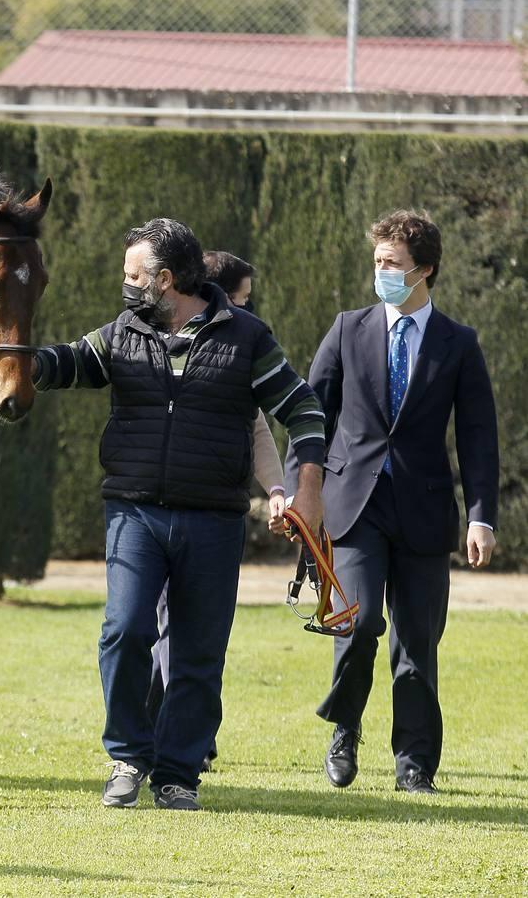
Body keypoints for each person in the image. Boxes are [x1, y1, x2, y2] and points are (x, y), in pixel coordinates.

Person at [32, 218, 326, 811]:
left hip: (213, 522)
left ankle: (177, 775)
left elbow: (305, 410)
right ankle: (126, 756)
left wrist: (308, 493)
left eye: (133, 275)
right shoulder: (121, 333)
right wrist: (8, 358)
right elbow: (63, 363)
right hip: (134, 514)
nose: (125, 285)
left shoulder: (248, 337)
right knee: (124, 631)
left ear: (165, 280)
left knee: (197, 653)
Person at [285, 210, 498, 795]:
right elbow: (310, 415)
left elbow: (479, 434)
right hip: (353, 504)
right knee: (356, 625)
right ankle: (344, 728)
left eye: (393, 264)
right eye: (377, 261)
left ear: (424, 270)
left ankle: (414, 765)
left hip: (426, 511)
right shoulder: (348, 329)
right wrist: (302, 491)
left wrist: (482, 516)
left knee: (416, 642)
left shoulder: (459, 344)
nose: (381, 272)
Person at [144, 250, 286, 772]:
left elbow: (257, 427)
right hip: (161, 511)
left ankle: (185, 738)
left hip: (211, 515)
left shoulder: (240, 345)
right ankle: (165, 739)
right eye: (243, 297)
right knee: (165, 634)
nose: (247, 308)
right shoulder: (167, 336)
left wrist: (277, 489)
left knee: (190, 636)